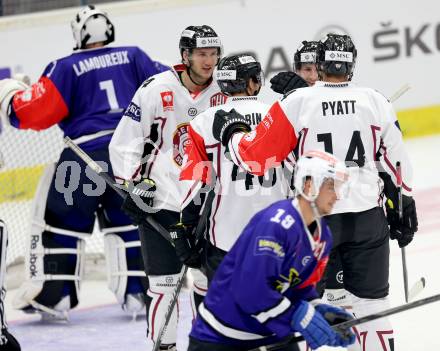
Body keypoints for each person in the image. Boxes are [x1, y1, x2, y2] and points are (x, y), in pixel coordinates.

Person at [211, 33, 418, 351]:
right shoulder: (375, 100)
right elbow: (396, 163)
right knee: (373, 310)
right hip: (368, 220)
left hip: (316, 223)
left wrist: (231, 132)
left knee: (312, 313)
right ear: (351, 66)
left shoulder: (297, 102)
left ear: (318, 65)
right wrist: (404, 205)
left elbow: (254, 159)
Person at [0, 5, 168, 320]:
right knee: (132, 224)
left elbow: (31, 114)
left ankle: (56, 295)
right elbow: (169, 89)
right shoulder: (135, 57)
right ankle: (139, 293)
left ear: (79, 34)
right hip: (128, 161)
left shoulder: (65, 67)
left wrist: (9, 95)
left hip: (81, 161)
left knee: (58, 224)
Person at [109, 25, 226, 350]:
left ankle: (209, 344)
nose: (209, 61)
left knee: (208, 282)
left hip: (206, 206)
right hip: (161, 203)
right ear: (185, 55)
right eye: (202, 54)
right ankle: (165, 346)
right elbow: (124, 143)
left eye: (214, 54)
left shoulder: (223, 90)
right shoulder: (155, 89)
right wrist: (131, 183)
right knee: (164, 284)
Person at [187, 150, 355, 351]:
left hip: (269, 333)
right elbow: (251, 291)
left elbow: (299, 285)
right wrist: (299, 315)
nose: (337, 196)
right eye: (331, 187)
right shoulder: (276, 224)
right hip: (222, 337)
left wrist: (318, 308)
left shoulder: (323, 235)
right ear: (310, 185)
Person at [177, 53, 293, 287]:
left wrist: (186, 225)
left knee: (228, 316)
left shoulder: (202, 122)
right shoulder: (278, 114)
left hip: (225, 237)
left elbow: (197, 184)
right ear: (250, 82)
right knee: (275, 311)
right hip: (277, 232)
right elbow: (296, 172)